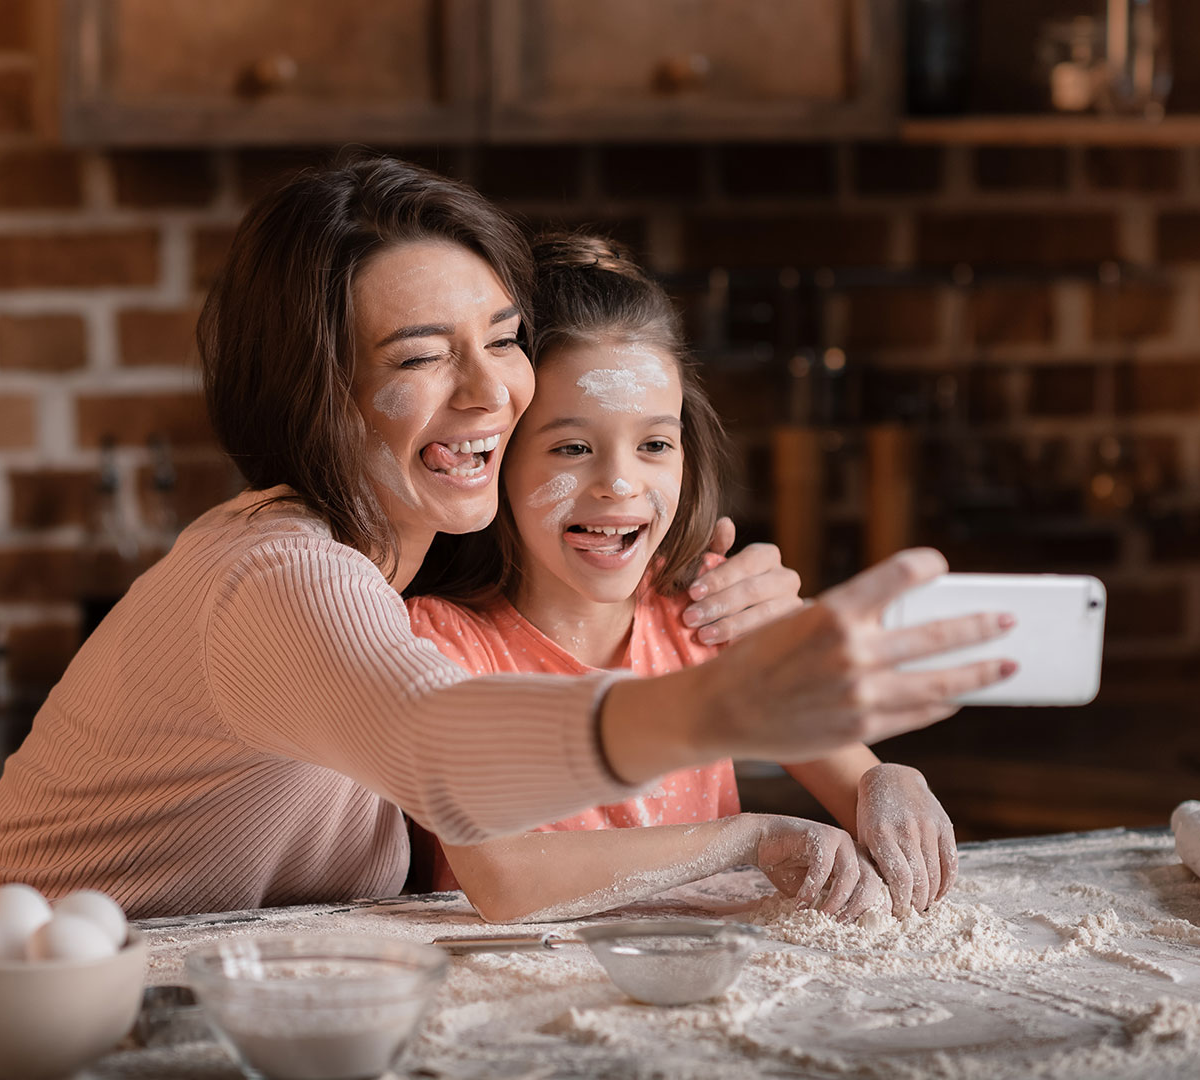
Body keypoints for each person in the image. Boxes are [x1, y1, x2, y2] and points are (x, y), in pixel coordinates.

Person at [0, 157, 1013, 918]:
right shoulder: (279, 575)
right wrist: (727, 723)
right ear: (320, 396)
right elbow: (441, 750)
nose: (494, 394)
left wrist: (765, 652)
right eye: (419, 358)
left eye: (501, 340)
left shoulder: (400, 557)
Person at [408, 235, 961, 923]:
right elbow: (506, 880)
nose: (619, 483)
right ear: (499, 459)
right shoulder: (439, 644)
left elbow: (856, 779)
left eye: (654, 445)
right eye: (572, 447)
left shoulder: (704, 607)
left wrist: (889, 778)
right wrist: (744, 840)